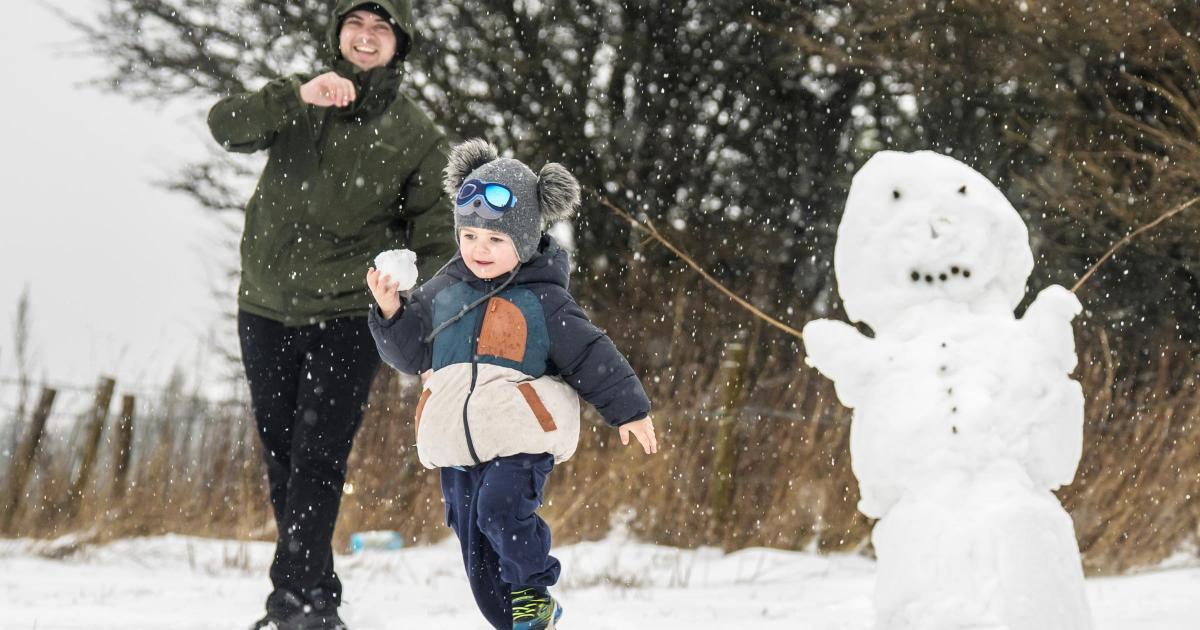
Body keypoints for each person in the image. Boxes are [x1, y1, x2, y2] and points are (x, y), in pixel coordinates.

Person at [206, 1, 455, 628]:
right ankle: (315, 596)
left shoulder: (416, 134)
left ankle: (288, 599)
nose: (366, 38)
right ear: (337, 34)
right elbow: (226, 126)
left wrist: (402, 279)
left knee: (319, 455)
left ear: (399, 44)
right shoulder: (299, 99)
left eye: (381, 29)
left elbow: (436, 236)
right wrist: (294, 95)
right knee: (282, 455)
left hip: (348, 311)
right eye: (356, 25)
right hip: (265, 304)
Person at [366, 139, 658, 630]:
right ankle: (522, 619)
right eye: (471, 235)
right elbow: (410, 354)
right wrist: (391, 312)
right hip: (457, 444)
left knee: (500, 511)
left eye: (496, 240)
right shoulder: (442, 292)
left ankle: (533, 589)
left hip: (521, 437)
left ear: (523, 241)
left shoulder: (542, 300)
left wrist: (628, 408)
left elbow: (590, 354)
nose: (479, 249)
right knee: (478, 560)